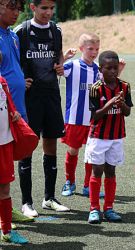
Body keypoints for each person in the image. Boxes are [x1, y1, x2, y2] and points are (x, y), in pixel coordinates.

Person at [14, 0, 69, 216]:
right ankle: (27, 202)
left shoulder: (56, 30)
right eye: (44, 8)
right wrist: (20, 79)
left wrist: (60, 65)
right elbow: (11, 61)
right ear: (32, 7)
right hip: (30, 97)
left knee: (51, 145)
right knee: (28, 146)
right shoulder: (21, 31)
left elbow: (59, 53)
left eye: (52, 8)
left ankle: (49, 198)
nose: (49, 12)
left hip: (51, 94)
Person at [84, 50, 133, 224]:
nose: (113, 71)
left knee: (111, 171)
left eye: (115, 68)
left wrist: (122, 104)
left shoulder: (125, 86)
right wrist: (110, 104)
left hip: (116, 136)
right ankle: (94, 208)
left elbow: (127, 113)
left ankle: (109, 208)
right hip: (98, 136)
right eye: (108, 68)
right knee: (97, 171)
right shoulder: (95, 89)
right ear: (100, 68)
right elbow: (94, 116)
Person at [0, 0, 35, 222]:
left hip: (16, 107)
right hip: (4, 109)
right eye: (11, 8)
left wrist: (21, 80)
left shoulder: (12, 35)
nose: (16, 13)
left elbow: (11, 67)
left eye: (18, 9)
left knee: (8, 161)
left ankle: (6, 207)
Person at [60, 32, 104, 198]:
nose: (94, 52)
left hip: (94, 119)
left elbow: (108, 85)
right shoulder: (72, 65)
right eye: (90, 48)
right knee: (73, 150)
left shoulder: (99, 69)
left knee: (91, 152)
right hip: (75, 118)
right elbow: (55, 69)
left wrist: (119, 70)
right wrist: (64, 58)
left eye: (97, 49)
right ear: (81, 48)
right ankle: (70, 182)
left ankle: (88, 185)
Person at [0, 63, 28, 244]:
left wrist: (14, 114)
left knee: (4, 189)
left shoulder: (2, 82)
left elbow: (10, 107)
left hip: (4, 143)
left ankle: (7, 231)